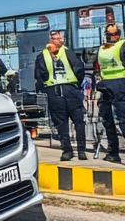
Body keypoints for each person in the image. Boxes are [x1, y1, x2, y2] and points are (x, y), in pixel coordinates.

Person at [95, 22, 125, 169]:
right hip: (114, 86)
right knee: (115, 120)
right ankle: (118, 153)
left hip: (111, 86)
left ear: (118, 34)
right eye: (109, 34)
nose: (111, 36)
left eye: (113, 34)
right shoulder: (124, 48)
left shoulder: (108, 49)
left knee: (121, 120)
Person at [34, 29, 86, 161]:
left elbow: (79, 69)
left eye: (59, 38)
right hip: (54, 92)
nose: (58, 41)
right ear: (50, 41)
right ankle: (67, 150)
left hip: (71, 91)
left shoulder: (68, 53)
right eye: (55, 38)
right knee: (61, 123)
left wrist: (76, 86)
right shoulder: (42, 56)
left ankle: (81, 150)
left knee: (78, 121)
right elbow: (39, 75)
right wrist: (44, 88)